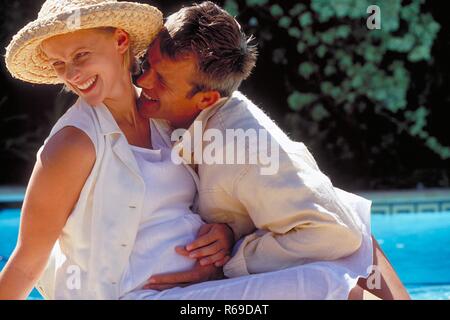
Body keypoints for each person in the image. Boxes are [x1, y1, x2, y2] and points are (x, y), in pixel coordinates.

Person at [135, 1, 410, 300]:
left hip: (343, 253)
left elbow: (336, 234)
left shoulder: (246, 150)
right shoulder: (175, 109)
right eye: (146, 63)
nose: (141, 80)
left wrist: (233, 255)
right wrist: (231, 230)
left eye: (161, 80)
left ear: (206, 99)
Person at [0, 0, 234, 300]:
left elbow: (203, 205)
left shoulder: (164, 118)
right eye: (59, 64)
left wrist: (225, 235)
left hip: (202, 289)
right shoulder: (73, 144)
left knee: (313, 274)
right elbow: (25, 263)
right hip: (132, 296)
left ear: (120, 40)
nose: (71, 74)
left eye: (81, 55)